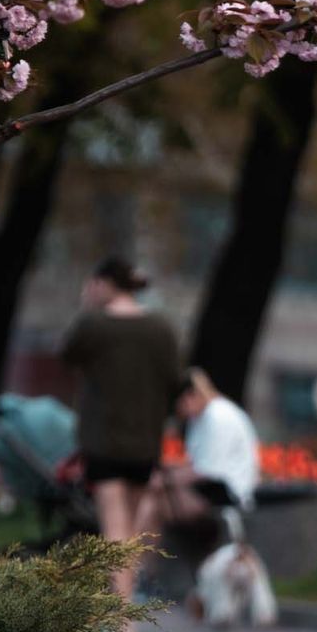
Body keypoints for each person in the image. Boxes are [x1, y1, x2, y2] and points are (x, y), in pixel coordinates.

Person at [61, 257, 186, 602]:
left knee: (115, 528)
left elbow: (67, 355)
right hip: (145, 443)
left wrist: (86, 308)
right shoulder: (161, 329)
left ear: (102, 284)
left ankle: (121, 616)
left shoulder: (95, 325)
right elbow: (175, 381)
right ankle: (127, 604)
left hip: (103, 442)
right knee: (130, 527)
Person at [137, 368, 261, 540]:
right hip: (212, 491)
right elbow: (197, 462)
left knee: (153, 504)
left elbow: (207, 470)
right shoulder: (203, 416)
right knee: (151, 499)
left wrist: (164, 480)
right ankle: (138, 561)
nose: (180, 412)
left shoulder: (217, 416)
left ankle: (137, 562)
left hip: (227, 497)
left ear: (189, 396)